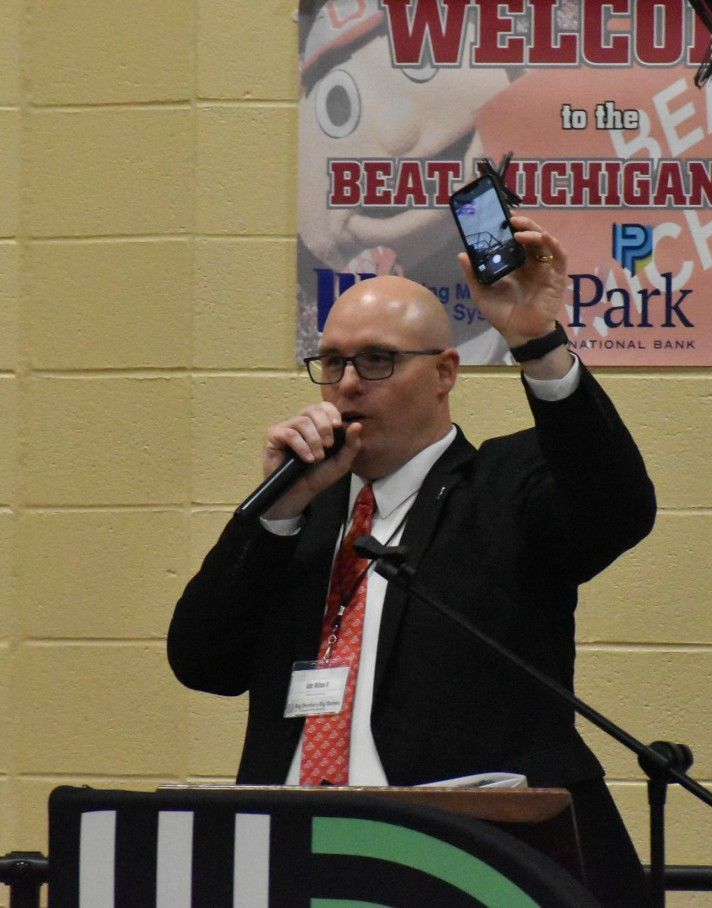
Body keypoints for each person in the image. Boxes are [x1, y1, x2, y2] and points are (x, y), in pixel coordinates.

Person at [168, 214, 657, 906]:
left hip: (461, 861)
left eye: (376, 361)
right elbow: (201, 661)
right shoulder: (301, 512)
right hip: (299, 855)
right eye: (332, 361)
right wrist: (275, 507)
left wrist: (538, 343)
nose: (346, 384)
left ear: (445, 373)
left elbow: (618, 509)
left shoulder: (505, 485)